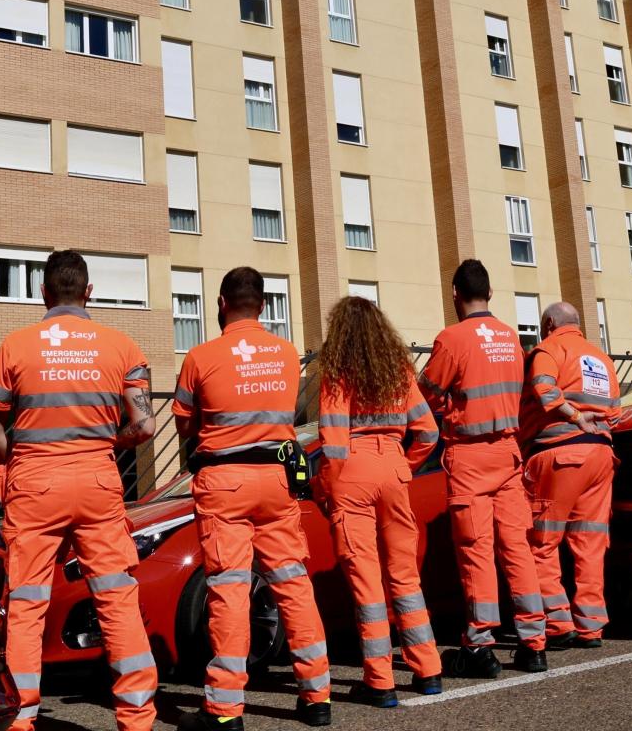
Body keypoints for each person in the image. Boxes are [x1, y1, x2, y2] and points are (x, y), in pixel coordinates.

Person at [0, 250, 161, 731]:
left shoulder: (15, 346)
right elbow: (144, 426)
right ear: (88, 292)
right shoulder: (122, 347)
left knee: (27, 602)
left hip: (35, 481)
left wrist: (12, 463)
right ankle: (137, 718)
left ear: (43, 293)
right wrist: (109, 441)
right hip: (98, 479)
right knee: (117, 598)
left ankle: (19, 719)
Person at [174, 267, 331, 730]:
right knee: (293, 583)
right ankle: (316, 696)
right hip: (276, 480)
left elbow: (185, 423)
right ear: (262, 305)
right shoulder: (285, 354)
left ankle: (225, 710)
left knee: (229, 589)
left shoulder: (201, 357)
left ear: (222, 304)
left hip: (224, 482)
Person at [310, 295, 445, 707]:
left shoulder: (337, 372)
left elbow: (332, 439)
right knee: (405, 577)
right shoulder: (399, 369)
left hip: (352, 469)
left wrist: (327, 488)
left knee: (367, 581)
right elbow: (428, 432)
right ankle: (428, 670)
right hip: (393, 468)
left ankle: (380, 681)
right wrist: (404, 464)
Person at [418, 260, 548, 677]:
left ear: (455, 293)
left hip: (470, 455)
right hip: (508, 453)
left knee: (476, 551)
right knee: (517, 548)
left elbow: (427, 395)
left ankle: (479, 645)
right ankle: (534, 643)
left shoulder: (452, 338)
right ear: (489, 294)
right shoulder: (512, 338)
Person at [521, 301, 619, 650]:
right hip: (601, 455)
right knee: (590, 543)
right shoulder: (601, 358)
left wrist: (573, 415)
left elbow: (545, 390)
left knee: (542, 543)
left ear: (548, 323)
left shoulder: (548, 349)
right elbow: (615, 410)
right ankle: (592, 625)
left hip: (559, 453)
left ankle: (558, 623)